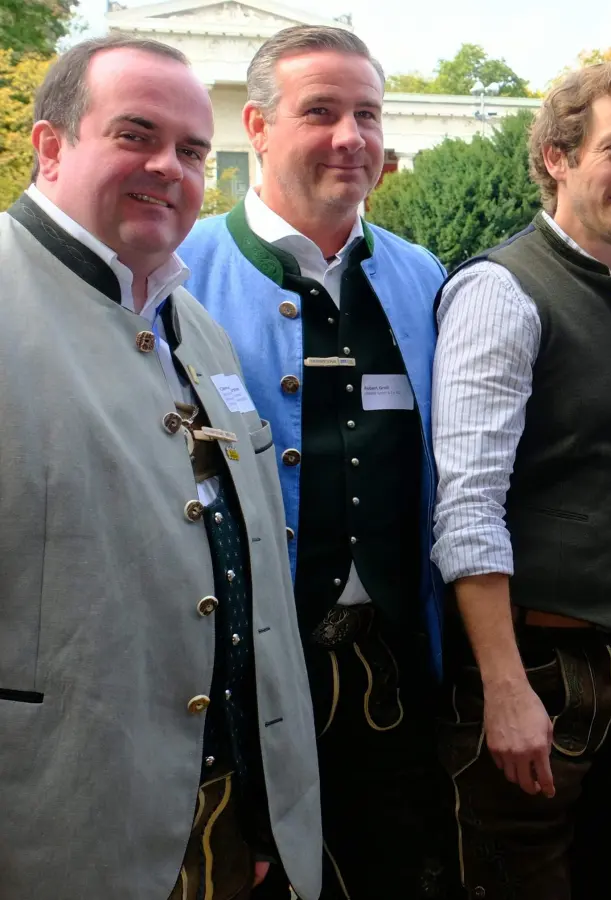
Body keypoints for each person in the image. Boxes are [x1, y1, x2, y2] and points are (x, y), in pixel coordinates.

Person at [0, 36, 321, 899]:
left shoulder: (195, 324)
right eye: (135, 135)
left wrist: (259, 801)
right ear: (52, 145)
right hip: (54, 834)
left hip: (216, 822)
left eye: (190, 149)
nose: (168, 167)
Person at [179, 25, 454, 898]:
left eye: (367, 115)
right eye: (321, 112)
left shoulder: (425, 278)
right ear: (256, 126)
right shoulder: (182, 274)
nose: (351, 137)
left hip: (400, 678)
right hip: (243, 690)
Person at [431, 58, 611, 900]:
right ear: (557, 157)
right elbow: (467, 504)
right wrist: (502, 686)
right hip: (531, 670)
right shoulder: (501, 291)